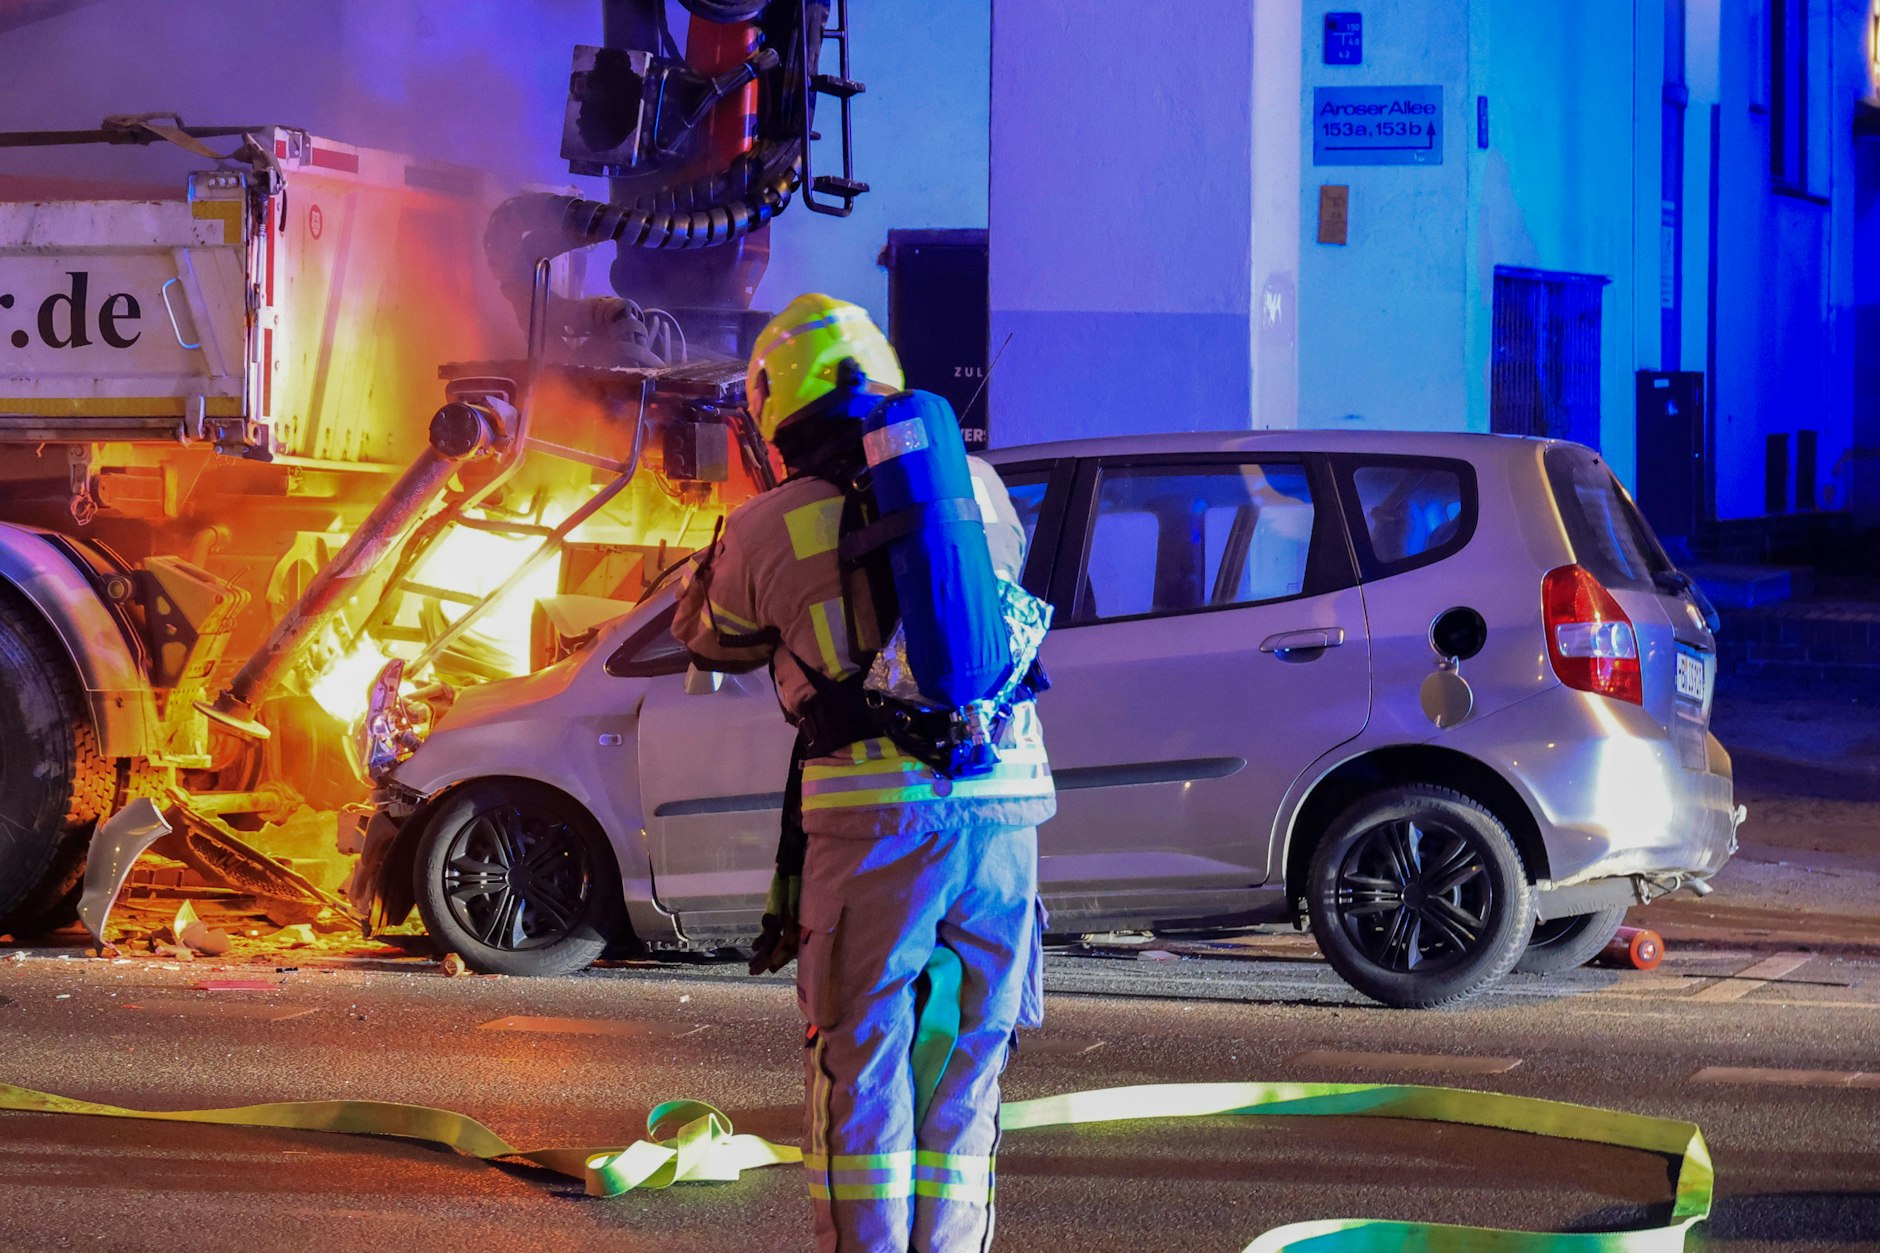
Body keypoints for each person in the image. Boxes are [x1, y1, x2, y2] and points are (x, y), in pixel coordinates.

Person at [671, 293, 1055, 1252]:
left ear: (775, 406)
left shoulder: (768, 522)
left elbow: (707, 633)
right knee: (969, 1066)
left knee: (864, 1063)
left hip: (877, 826)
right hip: (1005, 813)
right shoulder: (978, 488)